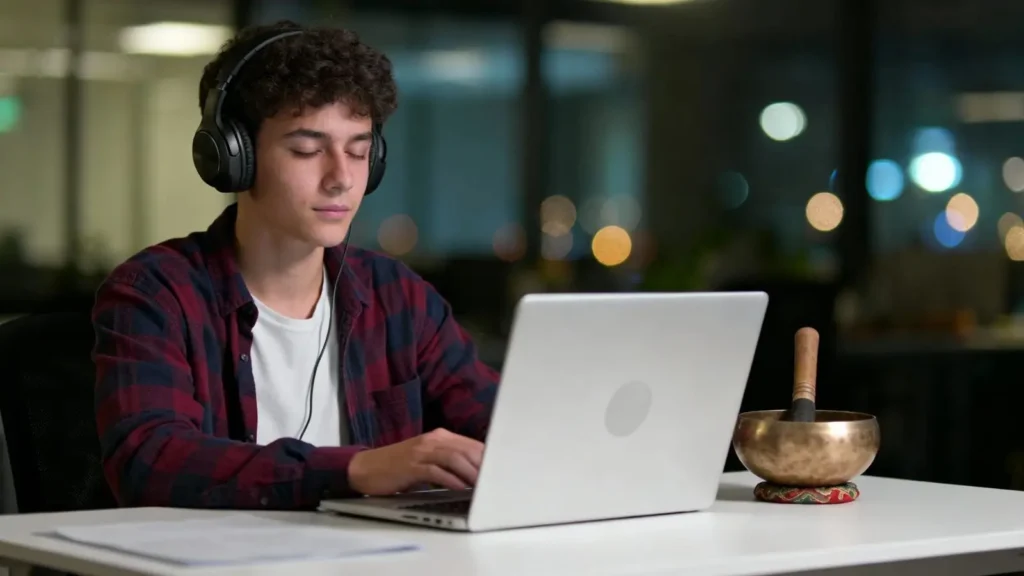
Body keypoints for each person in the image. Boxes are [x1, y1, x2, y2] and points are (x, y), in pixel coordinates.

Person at [91, 20, 499, 510]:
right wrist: (355, 469)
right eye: (307, 150)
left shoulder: (399, 297)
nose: (341, 179)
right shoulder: (156, 293)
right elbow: (151, 460)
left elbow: (503, 425)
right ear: (234, 156)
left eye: (359, 150)